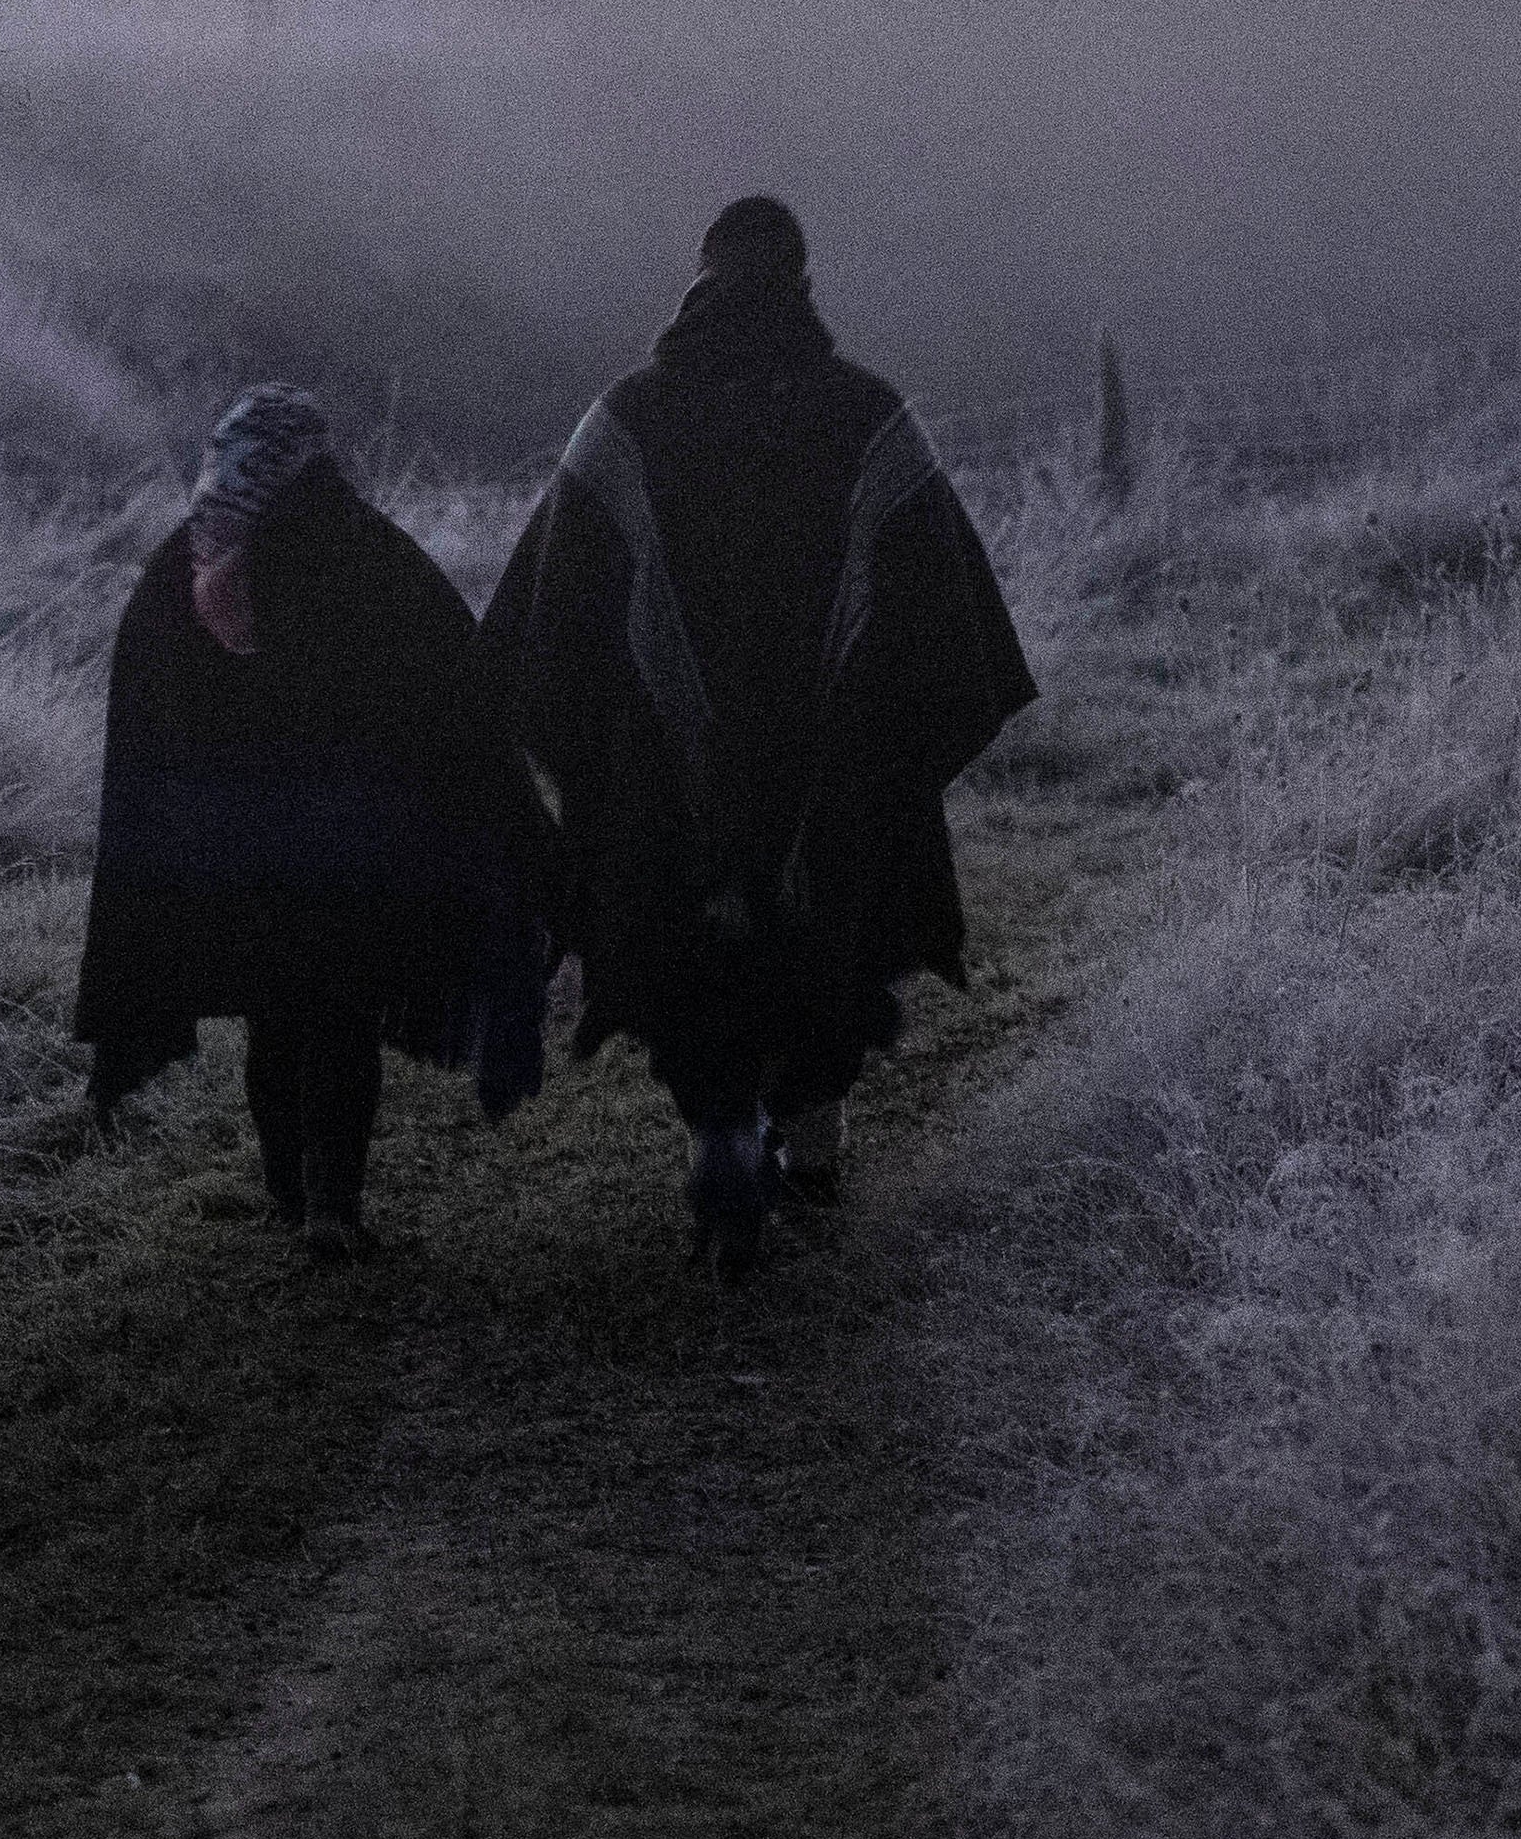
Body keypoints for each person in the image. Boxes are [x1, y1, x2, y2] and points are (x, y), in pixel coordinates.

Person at [485, 195, 1040, 1278]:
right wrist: (891, 740)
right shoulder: (869, 417)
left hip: (661, 771)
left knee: (683, 933)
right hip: (834, 772)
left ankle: (720, 1138)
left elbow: (549, 625)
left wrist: (592, 742)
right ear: (802, 284)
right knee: (831, 925)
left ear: (698, 280)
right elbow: (944, 628)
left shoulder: (624, 419)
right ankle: (814, 1141)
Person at [75, 384, 546, 1256]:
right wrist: (511, 832)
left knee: (274, 1013)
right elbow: (458, 688)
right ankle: (332, 1205)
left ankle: (287, 1194)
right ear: (311, 459)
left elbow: (145, 719)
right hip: (348, 846)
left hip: (238, 852)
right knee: (338, 1012)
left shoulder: (180, 564)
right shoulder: (366, 549)